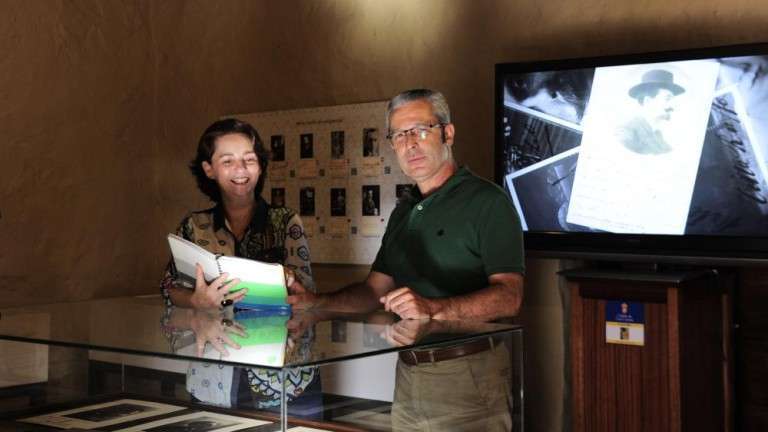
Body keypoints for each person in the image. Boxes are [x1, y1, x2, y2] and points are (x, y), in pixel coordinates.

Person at [288, 89, 525, 431]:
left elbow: (510, 297)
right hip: (408, 373)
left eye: (420, 130)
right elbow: (374, 291)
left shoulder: (488, 202)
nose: (409, 144)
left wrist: (432, 308)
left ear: (448, 133)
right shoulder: (404, 211)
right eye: (399, 135)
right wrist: (316, 303)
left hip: (469, 374)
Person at [159, 118, 320, 417]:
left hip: (284, 380)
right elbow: (170, 288)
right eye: (227, 161)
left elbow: (307, 292)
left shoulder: (286, 221)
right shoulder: (194, 226)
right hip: (213, 379)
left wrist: (288, 282)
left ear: (260, 165)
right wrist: (195, 299)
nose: (241, 169)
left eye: (249, 159)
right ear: (209, 169)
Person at [617, 69, 686, 155]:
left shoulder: (659, 138)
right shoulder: (626, 134)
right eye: (668, 98)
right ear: (648, 101)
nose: (673, 106)